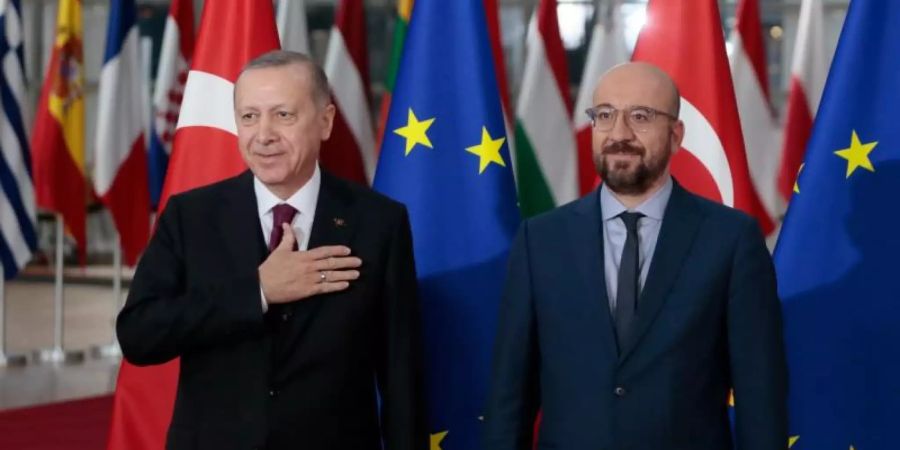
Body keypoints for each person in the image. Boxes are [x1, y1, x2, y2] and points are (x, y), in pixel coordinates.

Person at [117, 50, 427, 450]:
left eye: (283, 115)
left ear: (326, 122)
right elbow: (139, 335)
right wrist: (258, 291)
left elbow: (401, 373)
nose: (263, 134)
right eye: (249, 116)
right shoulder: (190, 217)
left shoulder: (379, 222)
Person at [482, 62, 787, 450]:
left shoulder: (731, 239)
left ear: (676, 136)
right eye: (605, 115)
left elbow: (760, 398)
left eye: (640, 117)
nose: (619, 134)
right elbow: (510, 397)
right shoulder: (540, 240)